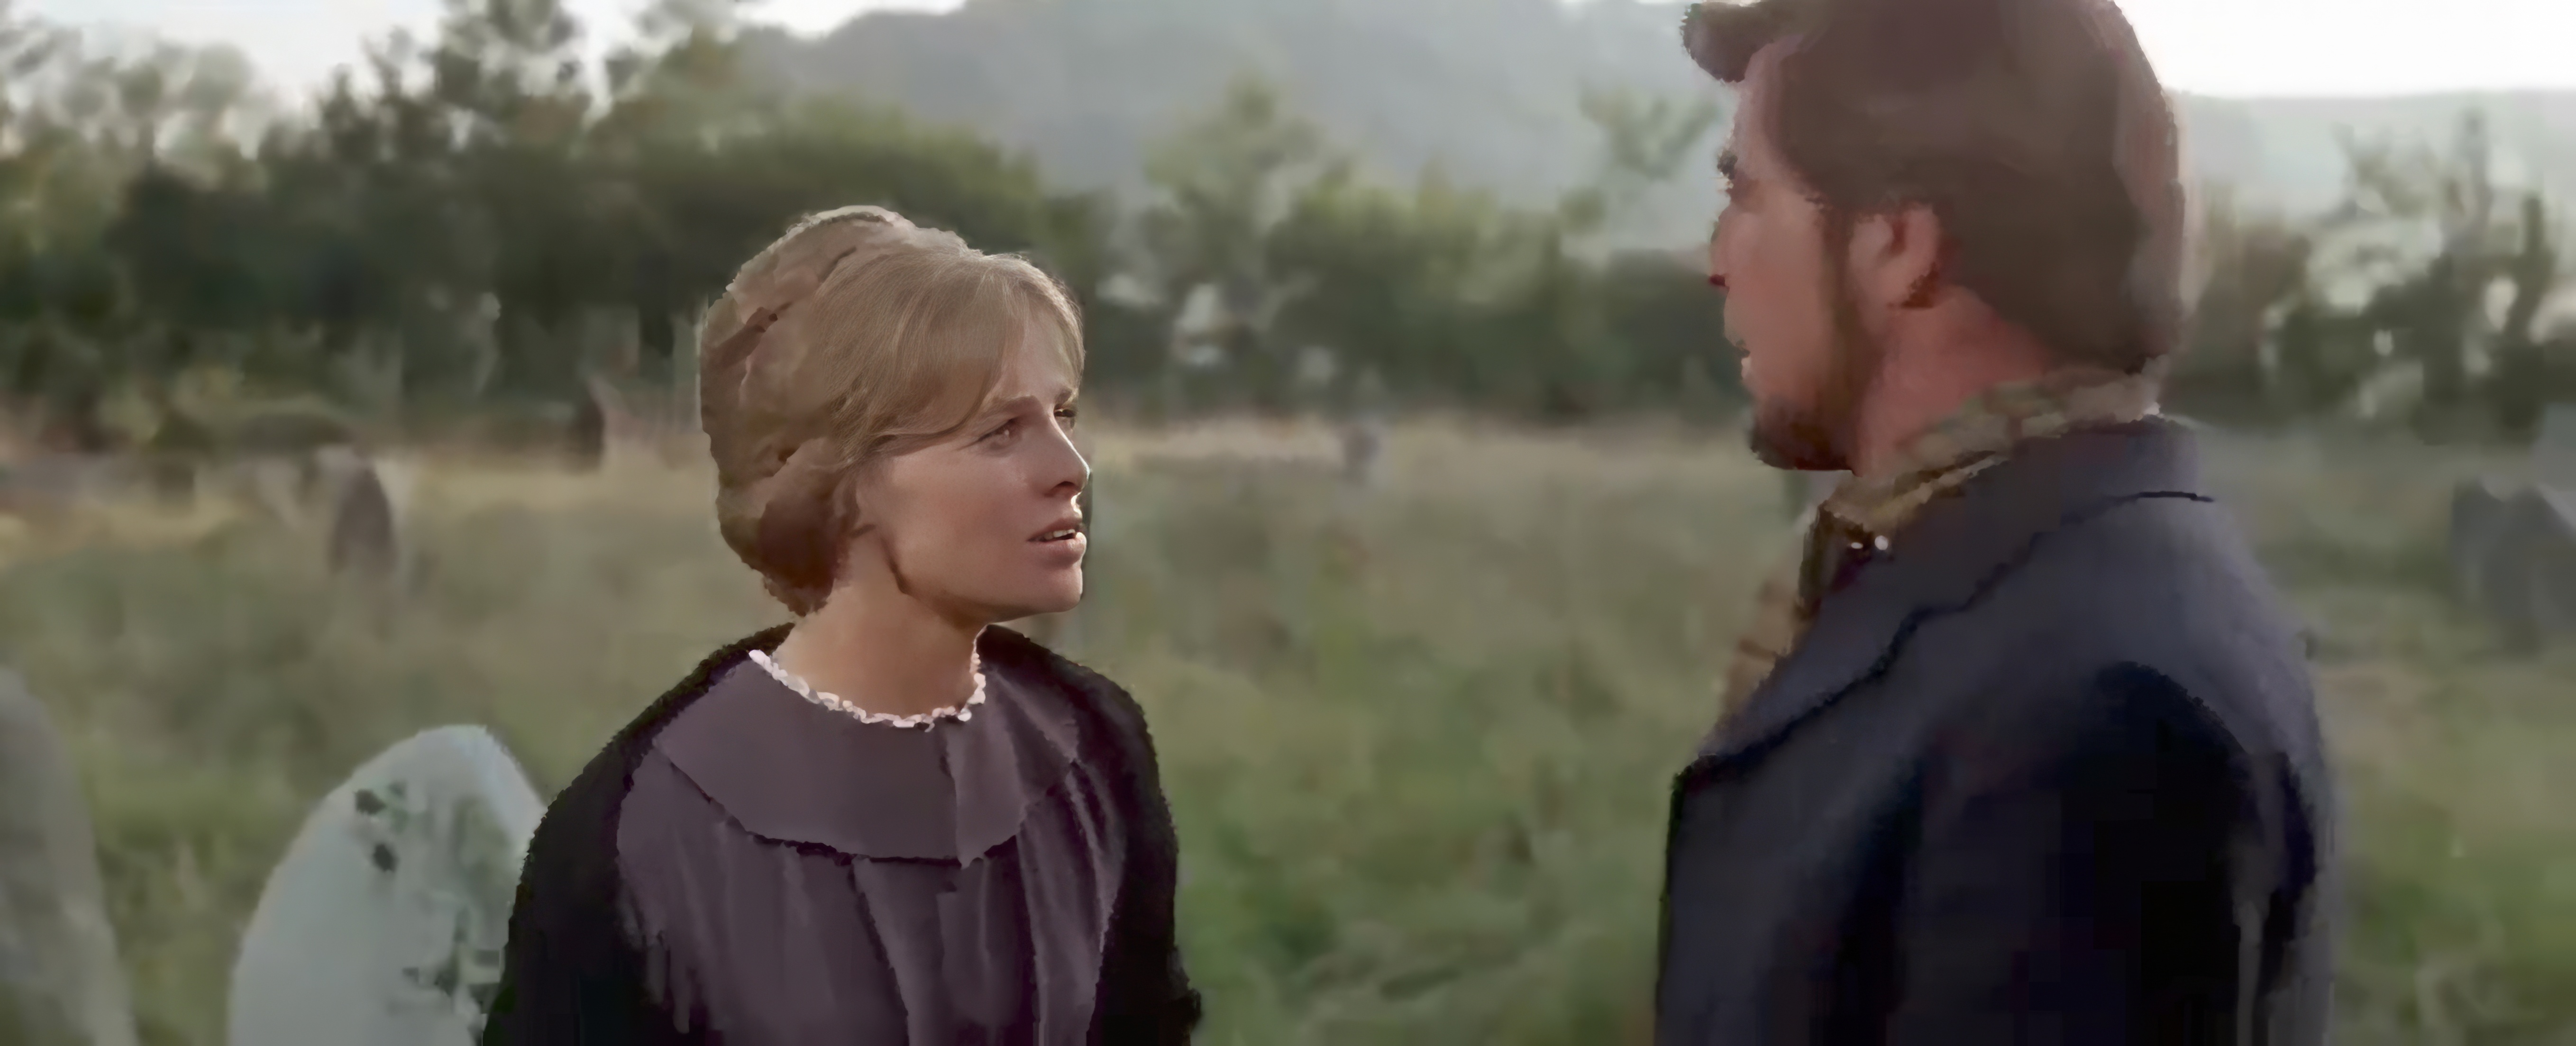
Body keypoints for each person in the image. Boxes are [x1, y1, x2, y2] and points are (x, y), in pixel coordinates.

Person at [1657, 0, 2337, 1043]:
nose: (1716, 260)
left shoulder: (2095, 711)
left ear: (1896, 246)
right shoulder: (2009, 571)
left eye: (1744, 195)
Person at [480, 205, 1202, 1045]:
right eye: (1001, 432)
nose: (1070, 469)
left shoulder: (1093, 749)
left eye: (1063, 416)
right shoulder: (641, 833)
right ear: (843, 481)